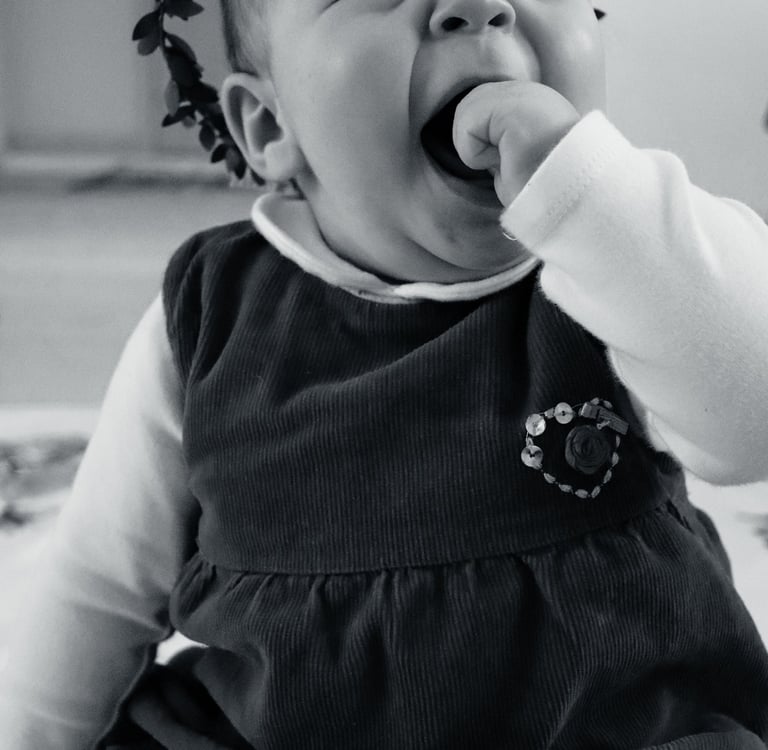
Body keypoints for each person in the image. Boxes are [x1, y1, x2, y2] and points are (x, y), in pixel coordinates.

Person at [2, 0, 768, 747]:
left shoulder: (629, 269)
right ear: (270, 126)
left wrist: (593, 197)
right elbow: (99, 589)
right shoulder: (211, 314)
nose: (477, 8)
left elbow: (752, 417)